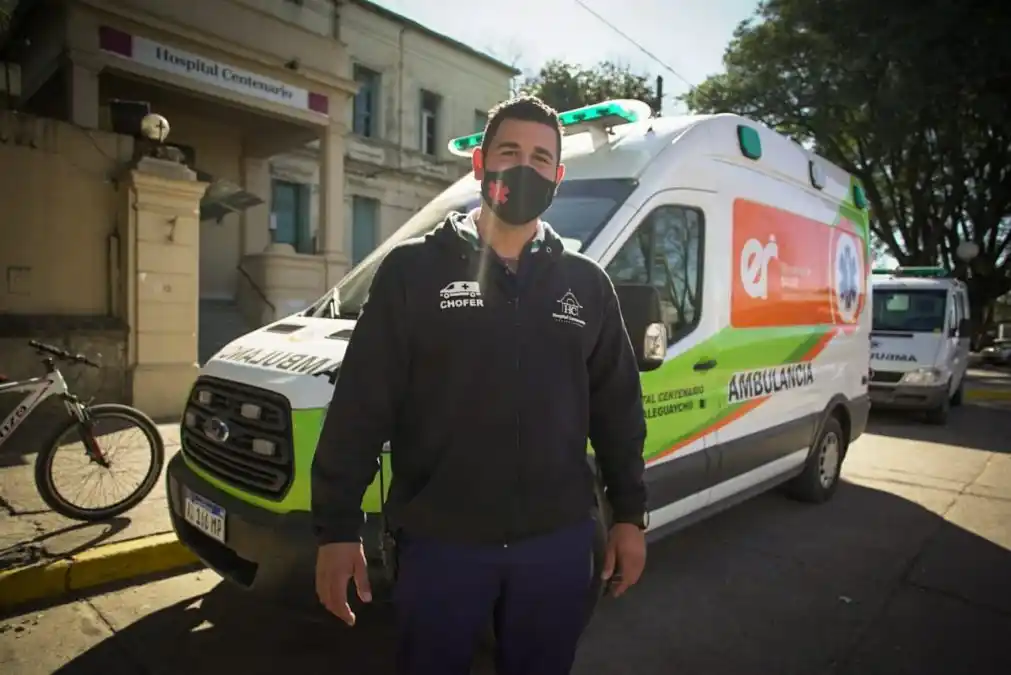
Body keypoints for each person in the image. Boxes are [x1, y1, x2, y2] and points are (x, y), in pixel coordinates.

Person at [312, 95, 649, 675]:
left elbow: (618, 411)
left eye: (542, 158)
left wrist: (628, 516)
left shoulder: (587, 285)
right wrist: (337, 529)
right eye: (510, 151)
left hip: (558, 543)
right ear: (479, 166)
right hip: (441, 545)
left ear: (558, 177)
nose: (525, 167)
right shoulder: (412, 271)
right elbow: (361, 405)